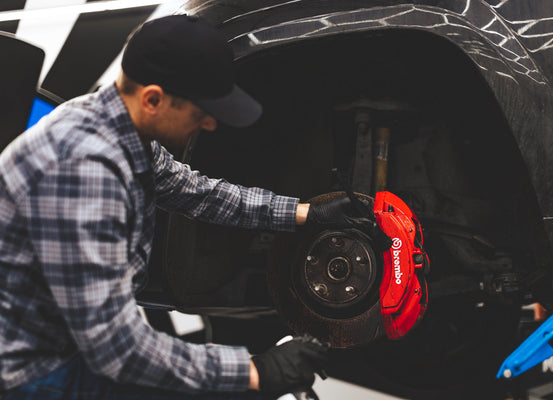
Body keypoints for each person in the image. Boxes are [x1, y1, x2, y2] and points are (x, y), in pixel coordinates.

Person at [0, 14, 369, 400]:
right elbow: (116, 348)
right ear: (154, 99)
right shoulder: (87, 170)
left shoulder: (117, 127)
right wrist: (254, 372)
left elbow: (197, 192)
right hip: (35, 371)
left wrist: (306, 213)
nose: (210, 124)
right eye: (200, 111)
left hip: (71, 341)